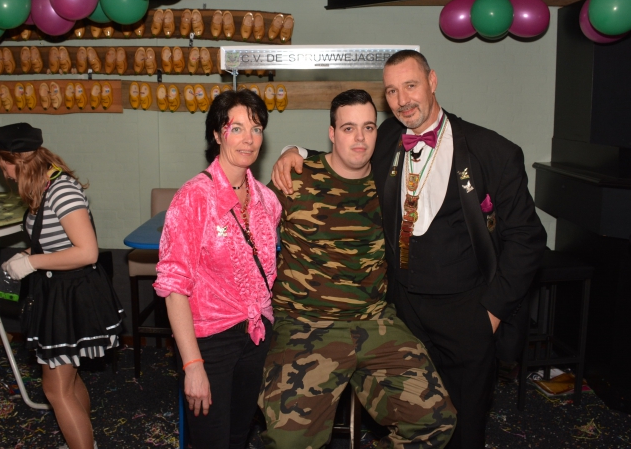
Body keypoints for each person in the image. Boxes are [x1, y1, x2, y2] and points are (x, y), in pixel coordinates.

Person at [273, 50, 546, 449]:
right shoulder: (386, 137)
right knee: (416, 421)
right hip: (401, 312)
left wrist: (491, 313)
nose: (402, 100)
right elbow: (344, 155)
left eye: (411, 86)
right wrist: (294, 151)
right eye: (392, 91)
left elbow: (528, 239)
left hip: (466, 312)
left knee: (464, 426)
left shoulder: (492, 150)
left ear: (432, 82)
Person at [260, 90, 456, 448]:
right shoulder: (295, 179)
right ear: (332, 133)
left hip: (374, 322)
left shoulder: (391, 183)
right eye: (348, 128)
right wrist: (292, 151)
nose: (360, 138)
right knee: (289, 442)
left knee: (435, 421)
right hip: (306, 323)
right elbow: (245, 233)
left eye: (368, 127)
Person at [153, 90, 282, 449]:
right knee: (211, 441)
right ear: (216, 134)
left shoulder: (267, 201)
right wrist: (192, 363)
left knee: (239, 436)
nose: (248, 139)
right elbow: (173, 286)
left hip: (256, 337)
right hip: (210, 343)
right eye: (236, 128)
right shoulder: (194, 198)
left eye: (256, 129)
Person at [0, 122, 123, 449]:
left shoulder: (62, 190)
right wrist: (27, 254)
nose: (6, 175)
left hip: (71, 296)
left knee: (55, 389)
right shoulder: (45, 186)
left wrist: (32, 262)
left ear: (19, 160)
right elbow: (55, 241)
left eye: (5, 167)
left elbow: (87, 252)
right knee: (68, 380)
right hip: (59, 293)